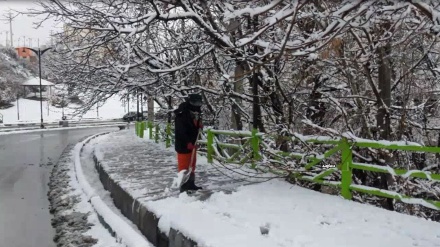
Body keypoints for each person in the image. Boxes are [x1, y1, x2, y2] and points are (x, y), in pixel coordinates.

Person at [174, 93, 204, 192]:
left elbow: (193, 127)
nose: (197, 105)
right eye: (195, 103)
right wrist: (187, 142)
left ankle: (190, 183)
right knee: (184, 166)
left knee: (192, 164)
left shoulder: (196, 112)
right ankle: (183, 186)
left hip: (193, 143)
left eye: (199, 103)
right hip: (183, 144)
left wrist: (198, 125)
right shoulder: (182, 113)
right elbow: (180, 130)